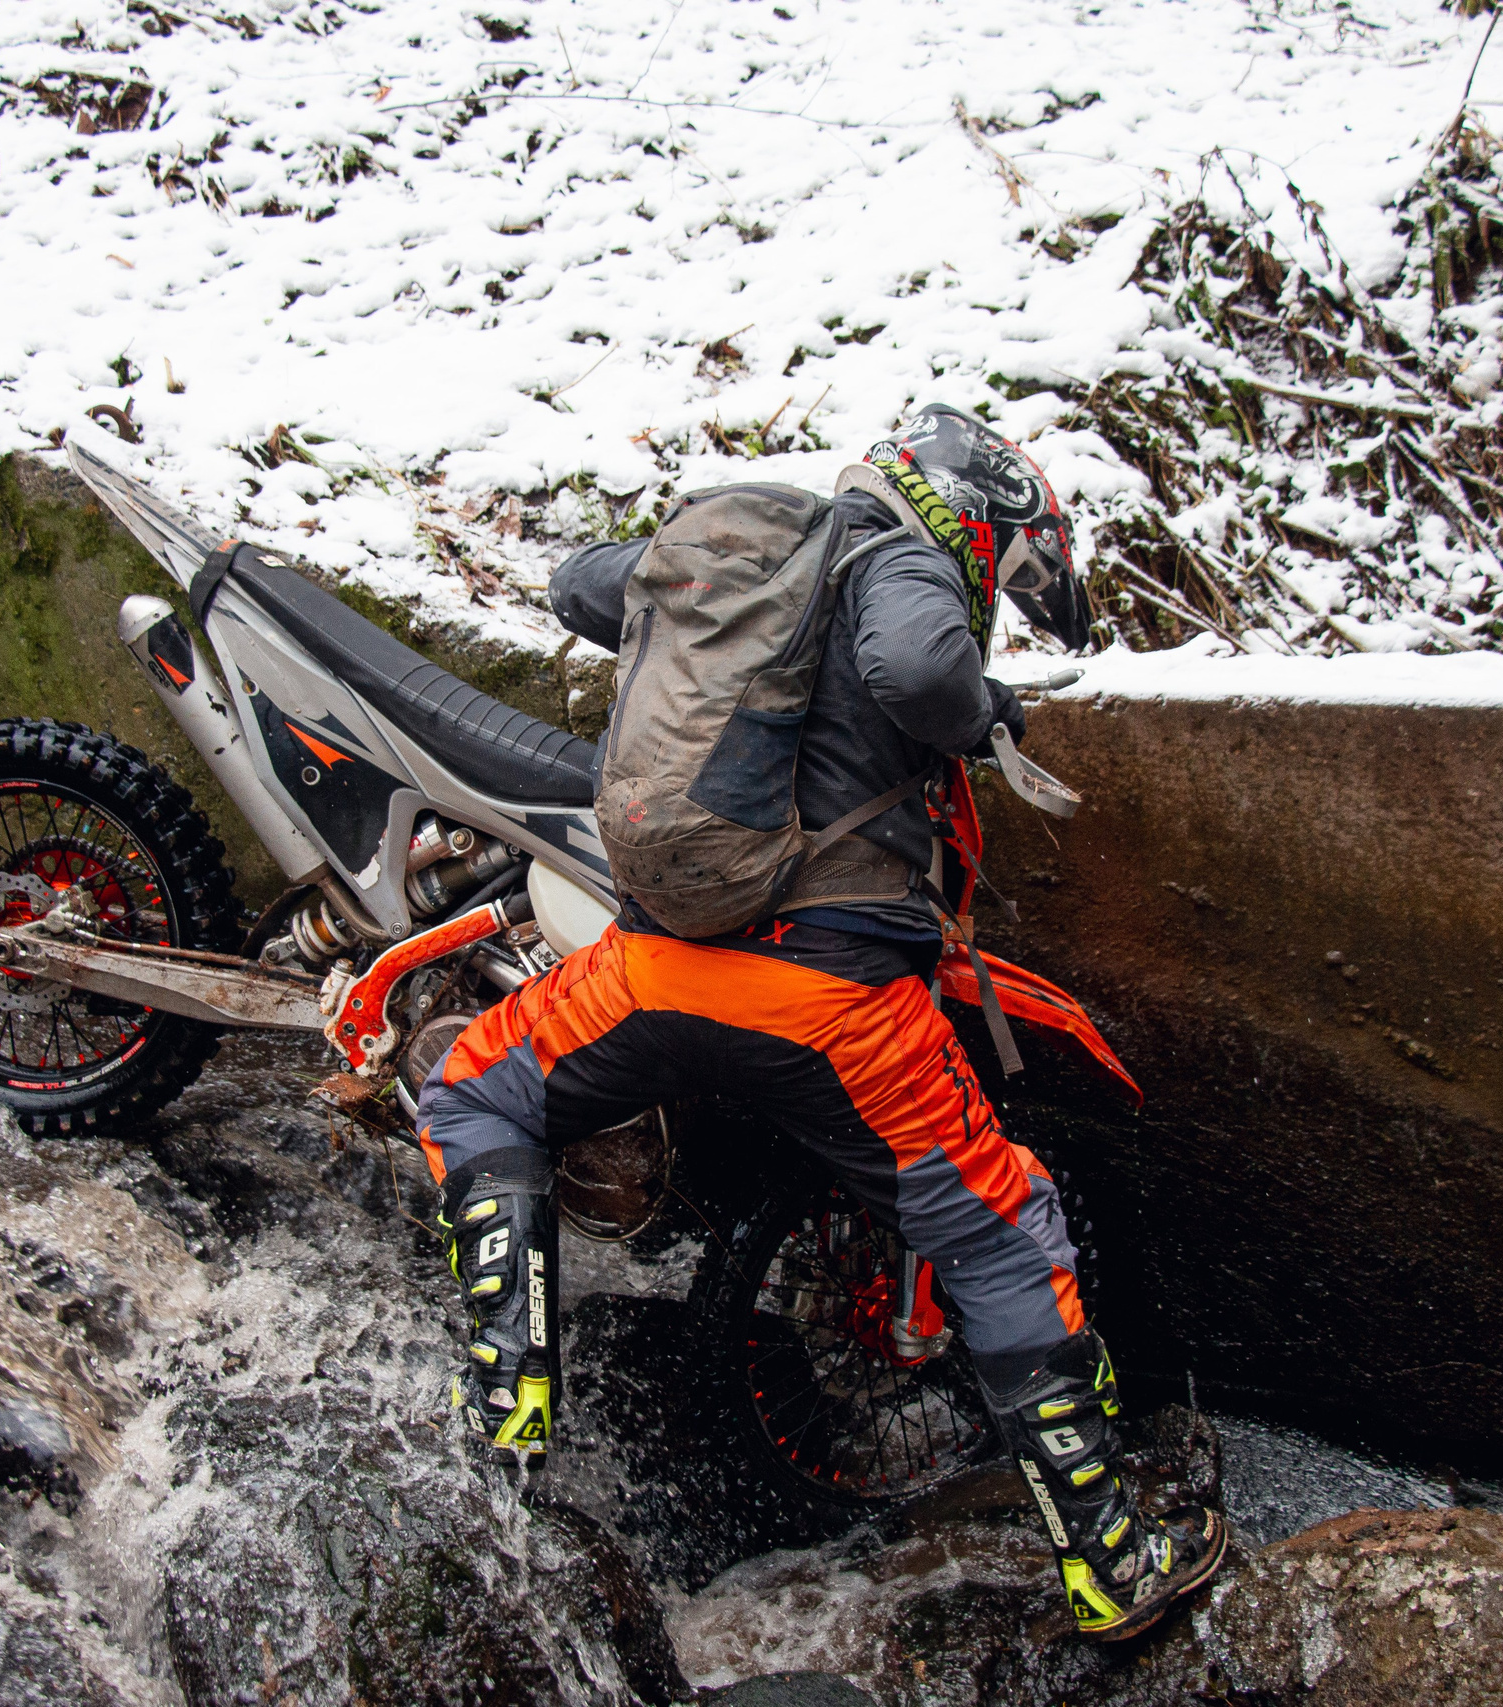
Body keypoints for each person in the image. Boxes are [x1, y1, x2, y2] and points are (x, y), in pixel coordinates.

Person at [413, 403, 1227, 1641]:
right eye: (999, 571)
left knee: (475, 1092)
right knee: (1004, 1231)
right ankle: (1110, 1559)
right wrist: (988, 707)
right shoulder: (902, 556)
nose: (992, 592)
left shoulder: (761, 550)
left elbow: (580, 585)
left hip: (656, 966)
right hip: (830, 998)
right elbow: (914, 668)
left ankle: (508, 1416)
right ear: (978, 513)